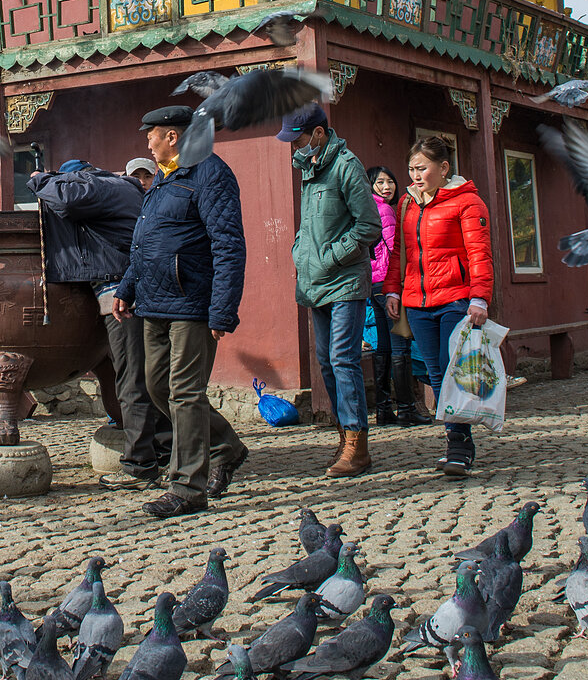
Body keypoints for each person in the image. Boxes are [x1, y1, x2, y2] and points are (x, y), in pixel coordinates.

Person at [112, 105, 249, 518]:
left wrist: (222, 310)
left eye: (150, 133)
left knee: (185, 393)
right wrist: (127, 287)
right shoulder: (162, 178)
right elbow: (145, 241)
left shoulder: (210, 173)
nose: (146, 141)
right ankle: (226, 447)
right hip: (153, 302)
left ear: (173, 136)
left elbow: (229, 246)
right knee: (158, 388)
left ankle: (188, 487)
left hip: (192, 302)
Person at [30, 160, 170, 488]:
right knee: (152, 377)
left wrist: (39, 181)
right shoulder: (122, 188)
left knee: (132, 380)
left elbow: (63, 200)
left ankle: (141, 467)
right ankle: (165, 451)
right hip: (143, 289)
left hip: (122, 293)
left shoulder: (95, 187)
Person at [278, 104, 380, 477]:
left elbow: (369, 226)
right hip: (314, 282)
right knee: (326, 362)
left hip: (346, 281)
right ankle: (343, 433)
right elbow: (311, 226)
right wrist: (300, 251)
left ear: (318, 134)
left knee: (343, 358)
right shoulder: (310, 169)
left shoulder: (346, 166)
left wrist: (330, 257)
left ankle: (358, 443)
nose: (295, 147)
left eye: (299, 138)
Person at [384, 135, 494, 474]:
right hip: (418, 303)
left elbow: (479, 255)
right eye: (411, 169)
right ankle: (456, 440)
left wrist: (480, 298)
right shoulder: (407, 204)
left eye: (422, 168)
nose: (415, 175)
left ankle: (459, 444)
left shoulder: (468, 202)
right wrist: (392, 290)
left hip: (456, 301)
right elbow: (399, 251)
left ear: (443, 168)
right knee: (435, 375)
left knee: (452, 373)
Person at [368, 165, 423, 426]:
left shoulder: (365, 209)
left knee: (384, 347)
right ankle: (407, 410)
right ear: (370, 185)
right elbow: (393, 250)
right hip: (389, 286)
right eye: (380, 183)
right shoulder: (386, 210)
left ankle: (382, 410)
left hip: (373, 284)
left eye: (390, 182)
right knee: (401, 347)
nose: (387, 187)